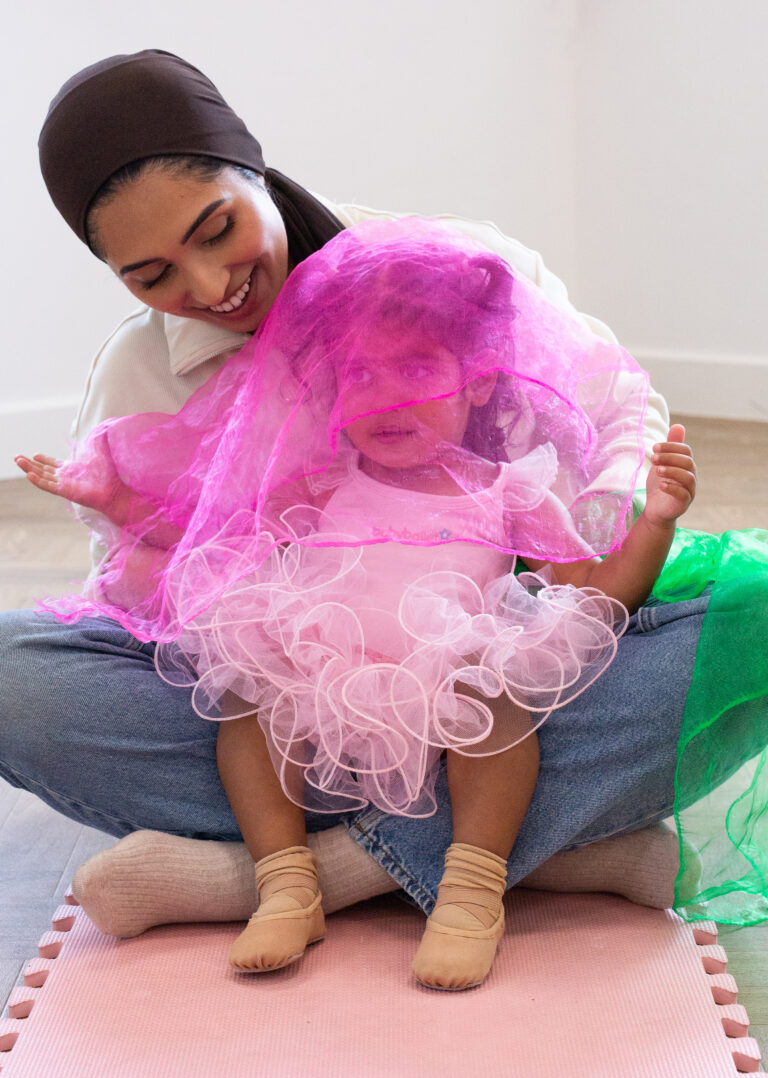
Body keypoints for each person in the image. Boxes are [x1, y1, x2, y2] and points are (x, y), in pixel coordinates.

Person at [2, 48, 764, 947]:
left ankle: (290, 875)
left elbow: (611, 419)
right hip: (291, 693)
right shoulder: (137, 376)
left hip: (490, 666)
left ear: (254, 169)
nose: (207, 288)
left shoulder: (451, 270)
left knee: (743, 620)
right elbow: (148, 606)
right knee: (22, 674)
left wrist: (521, 588)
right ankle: (530, 848)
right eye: (152, 274)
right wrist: (268, 612)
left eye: (216, 230)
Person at [17, 220, 697, 990]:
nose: (388, 396)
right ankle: (286, 882)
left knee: (496, 702)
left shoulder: (506, 488)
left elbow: (588, 596)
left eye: (415, 366)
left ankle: (470, 892)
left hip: (446, 684)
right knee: (250, 696)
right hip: (326, 676)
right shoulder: (323, 479)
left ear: (477, 378)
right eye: (362, 377)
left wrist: (657, 524)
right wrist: (113, 499)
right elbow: (205, 529)